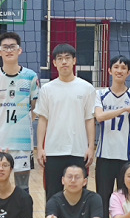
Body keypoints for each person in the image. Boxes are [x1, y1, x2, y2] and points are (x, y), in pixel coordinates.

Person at [34, 44, 96, 202]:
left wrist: (90, 147)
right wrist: (40, 148)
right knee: (52, 195)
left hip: (78, 150)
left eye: (67, 58)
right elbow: (43, 119)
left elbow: (89, 119)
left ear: (74, 61)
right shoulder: (47, 89)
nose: (64, 62)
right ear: (54, 63)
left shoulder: (87, 88)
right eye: (60, 58)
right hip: (53, 151)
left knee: (79, 196)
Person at [0, 32, 40, 193]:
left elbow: (34, 107)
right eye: (5, 47)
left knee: (23, 188)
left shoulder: (30, 76)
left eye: (12, 47)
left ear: (19, 50)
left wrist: (23, 124)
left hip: (22, 142)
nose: (9, 50)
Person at [94, 55, 130, 218]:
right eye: (116, 67)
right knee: (103, 198)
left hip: (126, 158)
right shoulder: (100, 94)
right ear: (109, 70)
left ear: (129, 72)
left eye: (123, 68)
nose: (119, 70)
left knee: (125, 199)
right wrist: (124, 109)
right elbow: (100, 117)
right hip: (104, 156)